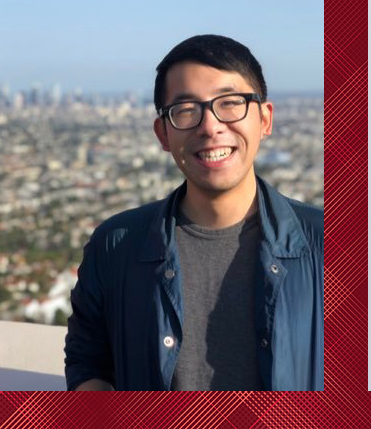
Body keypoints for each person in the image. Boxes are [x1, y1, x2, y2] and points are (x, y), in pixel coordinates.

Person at [64, 34, 324, 391]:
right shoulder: (116, 247)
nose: (210, 126)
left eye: (231, 103)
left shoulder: (327, 245)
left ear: (265, 119)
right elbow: (87, 359)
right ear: (163, 134)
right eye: (186, 110)